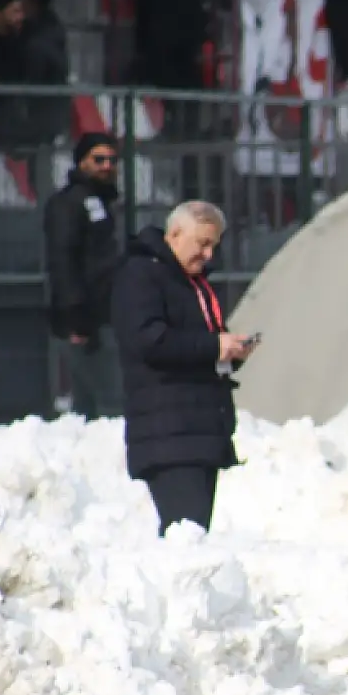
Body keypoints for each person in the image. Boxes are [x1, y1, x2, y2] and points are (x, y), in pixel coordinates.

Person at [111, 200, 255, 535]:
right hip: (168, 430)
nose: (208, 255)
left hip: (199, 428)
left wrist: (228, 352)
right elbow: (149, 340)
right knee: (184, 537)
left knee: (195, 534)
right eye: (202, 244)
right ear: (174, 233)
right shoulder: (141, 274)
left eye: (214, 246)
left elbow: (193, 343)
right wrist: (213, 345)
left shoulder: (194, 282)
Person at [44, 132, 125, 419]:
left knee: (91, 404)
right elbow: (62, 259)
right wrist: (76, 314)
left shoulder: (101, 202)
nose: (106, 165)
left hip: (104, 314)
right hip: (86, 320)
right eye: (98, 159)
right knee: (110, 400)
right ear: (81, 162)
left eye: (112, 160)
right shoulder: (68, 203)